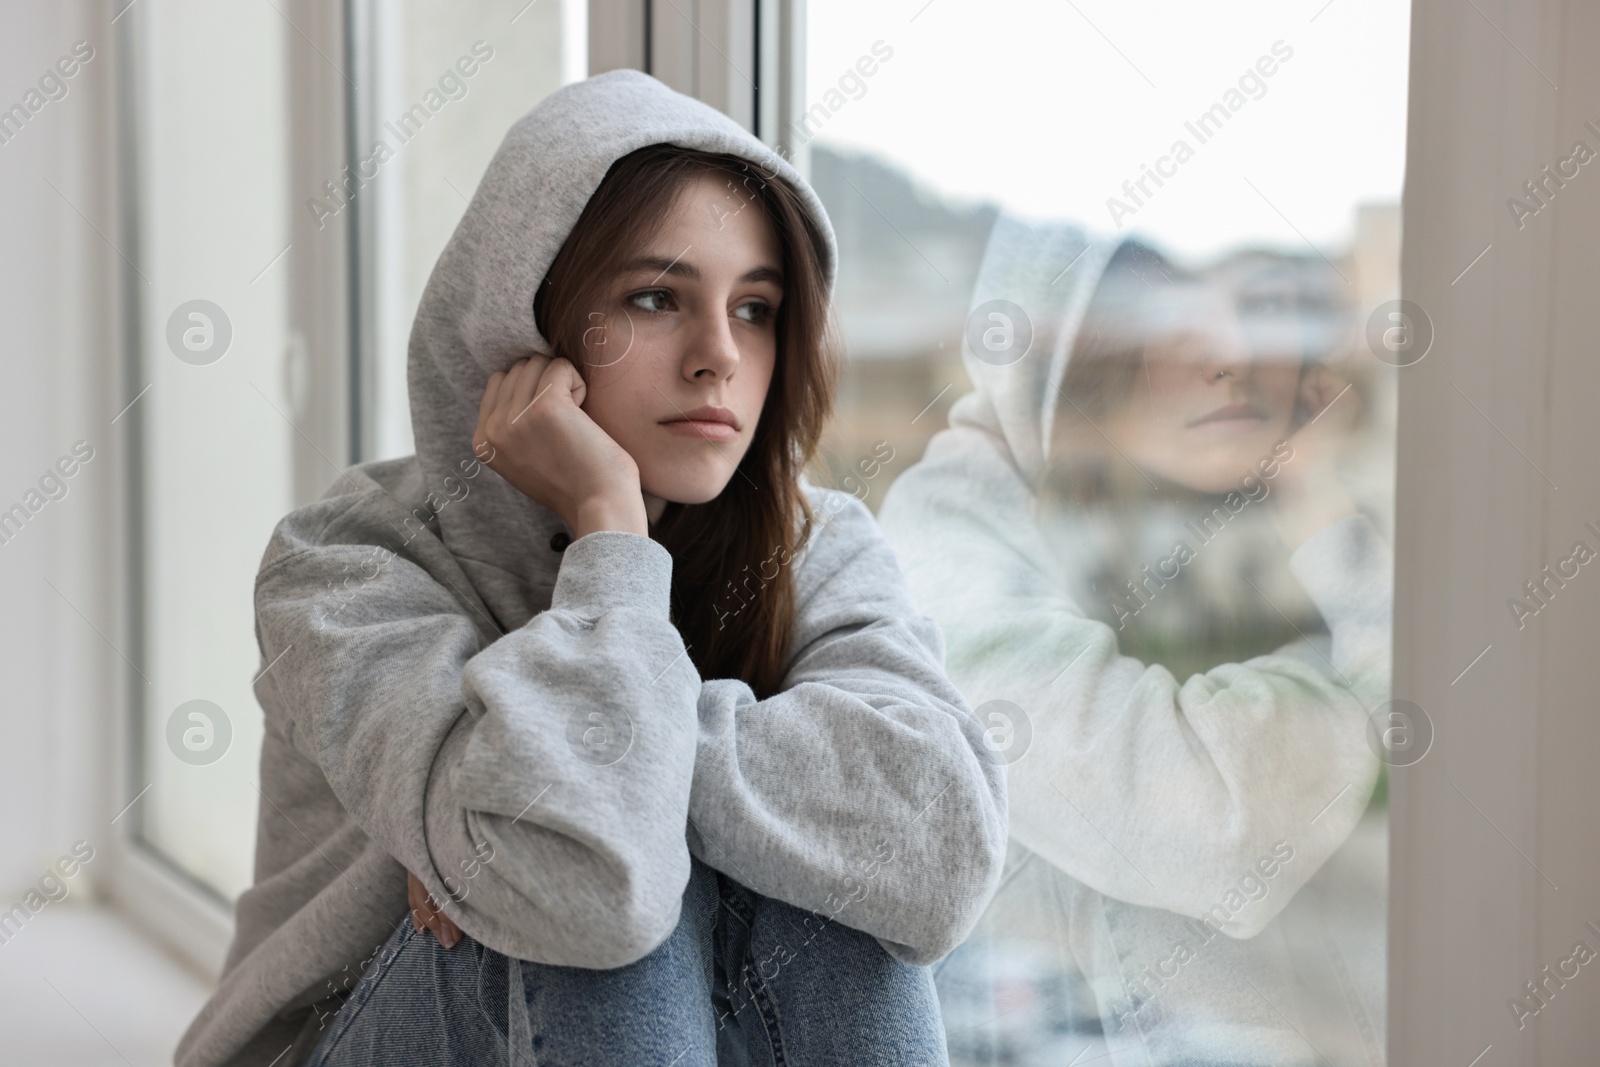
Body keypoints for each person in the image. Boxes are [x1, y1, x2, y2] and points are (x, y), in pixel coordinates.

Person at [174, 70, 1007, 1067]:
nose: (718, 357)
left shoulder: (816, 543)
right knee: (586, 891)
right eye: (656, 298)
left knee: (831, 895)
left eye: (755, 308)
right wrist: (610, 527)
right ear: (528, 326)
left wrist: (555, 778)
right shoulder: (348, 562)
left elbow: (938, 851)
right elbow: (584, 889)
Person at [877, 215, 1392, 1065]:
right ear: (1076, 371)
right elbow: (1204, 821)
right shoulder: (949, 550)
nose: (1228, 365)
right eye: (1167, 338)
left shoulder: (1117, 520)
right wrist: (1371, 682)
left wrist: (1315, 498)